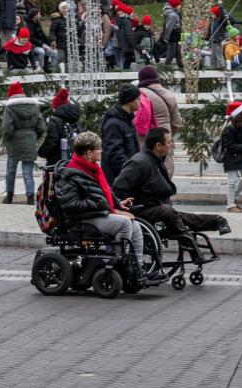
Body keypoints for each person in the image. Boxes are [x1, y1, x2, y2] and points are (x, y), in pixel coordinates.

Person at [53, 131, 145, 284]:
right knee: (124, 223)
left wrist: (116, 204)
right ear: (89, 153)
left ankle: (138, 267)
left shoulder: (93, 168)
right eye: (99, 148)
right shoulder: (72, 174)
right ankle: (120, 265)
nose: (101, 151)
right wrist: (101, 205)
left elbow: (104, 192)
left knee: (136, 226)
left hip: (98, 214)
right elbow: (70, 205)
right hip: (83, 220)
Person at [115, 127, 230, 236]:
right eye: (169, 142)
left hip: (156, 207)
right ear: (158, 146)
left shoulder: (155, 160)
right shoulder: (139, 162)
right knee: (169, 212)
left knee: (179, 216)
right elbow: (119, 187)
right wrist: (124, 208)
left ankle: (216, 220)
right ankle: (185, 235)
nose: (172, 145)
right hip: (141, 210)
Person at [0, 81, 44, 205]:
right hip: (30, 142)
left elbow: (7, 128)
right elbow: (41, 127)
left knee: (11, 171)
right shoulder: (34, 107)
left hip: (14, 143)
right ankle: (30, 197)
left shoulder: (10, 108)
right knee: (27, 172)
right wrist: (33, 137)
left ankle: (9, 196)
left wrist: (7, 139)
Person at [98, 85, 142, 183]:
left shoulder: (127, 119)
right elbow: (115, 154)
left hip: (126, 175)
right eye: (138, 99)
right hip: (118, 178)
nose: (141, 102)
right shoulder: (113, 123)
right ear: (130, 101)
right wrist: (131, 171)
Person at [219, 101, 242, 213]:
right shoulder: (229, 128)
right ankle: (230, 205)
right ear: (238, 114)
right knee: (232, 181)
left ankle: (233, 197)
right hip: (232, 157)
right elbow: (228, 145)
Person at [36, 87, 81, 170]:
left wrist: (42, 152)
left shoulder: (55, 121)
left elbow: (51, 140)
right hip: (75, 159)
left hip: (58, 161)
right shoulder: (75, 120)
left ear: (56, 107)